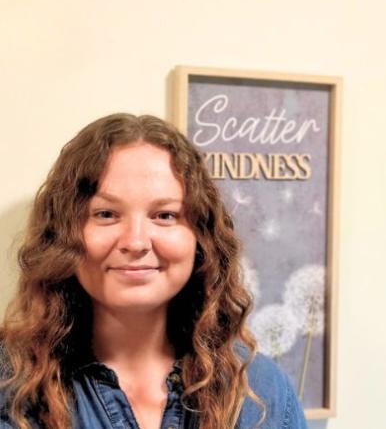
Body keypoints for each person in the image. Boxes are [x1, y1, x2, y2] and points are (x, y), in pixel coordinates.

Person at [0, 114, 307, 429]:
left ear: (200, 237)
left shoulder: (261, 392)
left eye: (164, 215)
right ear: (63, 234)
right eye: (106, 214)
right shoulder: (10, 387)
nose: (135, 242)